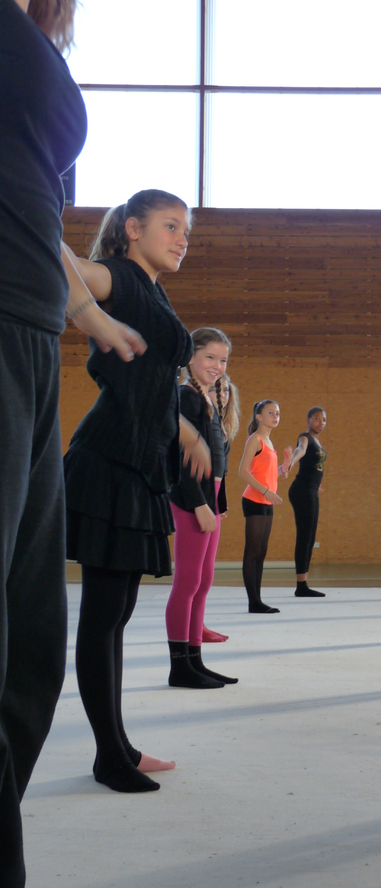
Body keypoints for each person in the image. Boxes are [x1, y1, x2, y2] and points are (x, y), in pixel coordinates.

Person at [0, 0, 177, 888]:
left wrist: (85, 315)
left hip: (32, 335)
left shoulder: (35, 31)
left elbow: (39, 213)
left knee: (31, 644)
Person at [64, 191, 214, 794]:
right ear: (132, 228)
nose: (182, 239)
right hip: (108, 461)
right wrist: (91, 316)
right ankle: (108, 756)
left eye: (187, 231)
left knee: (119, 614)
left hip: (141, 462)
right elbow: (51, 256)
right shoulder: (119, 276)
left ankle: (120, 744)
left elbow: (147, 383)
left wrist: (184, 429)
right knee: (103, 615)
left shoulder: (153, 291)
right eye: (170, 226)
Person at [166, 328, 237, 687]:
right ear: (191, 357)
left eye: (223, 360)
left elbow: (217, 460)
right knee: (188, 580)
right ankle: (180, 666)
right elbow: (182, 460)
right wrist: (199, 505)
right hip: (191, 497)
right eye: (210, 357)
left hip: (211, 496)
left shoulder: (208, 398)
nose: (217, 365)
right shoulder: (186, 397)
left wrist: (217, 502)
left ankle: (195, 659)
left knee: (204, 579)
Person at [202, 373, 241, 643]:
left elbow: (221, 471)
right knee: (197, 573)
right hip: (200, 498)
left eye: (226, 391)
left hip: (214, 499)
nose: (222, 395)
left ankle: (199, 624)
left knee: (207, 572)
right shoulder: (203, 421)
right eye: (217, 390)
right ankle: (192, 628)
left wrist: (221, 503)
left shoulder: (222, 427)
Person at [239, 400, 286, 613]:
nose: (275, 416)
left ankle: (257, 599)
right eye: (270, 413)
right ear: (258, 417)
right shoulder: (255, 440)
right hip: (254, 500)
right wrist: (266, 491)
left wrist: (283, 468)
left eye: (277, 413)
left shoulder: (269, 441)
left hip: (267, 501)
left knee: (261, 552)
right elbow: (243, 472)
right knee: (252, 551)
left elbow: (267, 473)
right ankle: (253, 602)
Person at [284, 407, 328, 597]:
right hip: (301, 491)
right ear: (308, 420)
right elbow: (300, 450)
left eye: (324, 420)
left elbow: (313, 465)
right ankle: (301, 586)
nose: (321, 422)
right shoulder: (305, 438)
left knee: (310, 537)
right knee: (304, 536)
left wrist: (316, 484)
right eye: (317, 418)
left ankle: (303, 583)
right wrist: (291, 461)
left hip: (310, 490)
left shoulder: (317, 441)